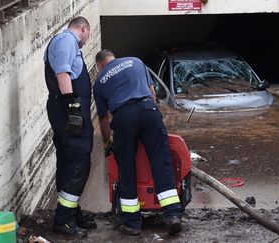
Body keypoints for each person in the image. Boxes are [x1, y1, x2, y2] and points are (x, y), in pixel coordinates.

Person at [93, 49, 183, 235]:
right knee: (161, 160)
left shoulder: (100, 80)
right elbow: (152, 94)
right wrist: (153, 119)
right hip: (148, 109)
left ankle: (133, 224)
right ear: (114, 58)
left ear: (100, 65)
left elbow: (103, 118)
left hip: (123, 116)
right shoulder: (135, 61)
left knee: (125, 167)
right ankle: (173, 215)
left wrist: (107, 142)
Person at [43, 16, 95, 239]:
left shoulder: (64, 42)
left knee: (68, 159)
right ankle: (63, 219)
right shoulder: (67, 41)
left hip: (62, 107)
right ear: (83, 28)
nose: (86, 40)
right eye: (87, 34)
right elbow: (62, 73)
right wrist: (73, 107)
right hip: (67, 109)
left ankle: (71, 212)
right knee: (79, 159)